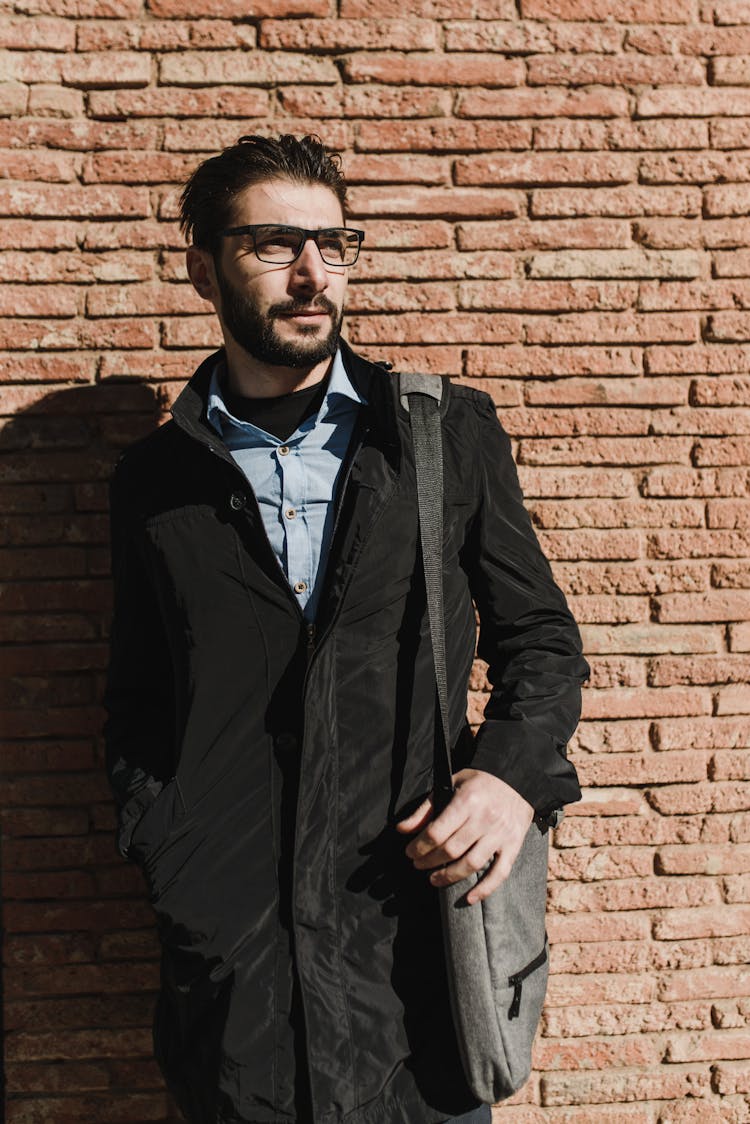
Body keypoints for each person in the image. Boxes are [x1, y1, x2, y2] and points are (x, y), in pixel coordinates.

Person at [103, 133, 590, 1124]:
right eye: (275, 245)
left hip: (411, 933)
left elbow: (541, 640)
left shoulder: (440, 434)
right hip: (236, 956)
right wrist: (170, 849)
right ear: (204, 266)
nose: (314, 274)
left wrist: (507, 778)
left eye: (334, 243)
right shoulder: (156, 483)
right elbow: (140, 698)